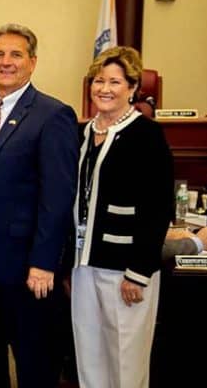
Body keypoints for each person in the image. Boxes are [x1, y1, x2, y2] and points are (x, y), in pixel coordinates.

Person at [0, 23, 79, 387]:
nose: (6, 62)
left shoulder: (53, 114)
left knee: (33, 364)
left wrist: (45, 262)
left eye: (15, 54)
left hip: (26, 269)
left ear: (33, 62)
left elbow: (57, 198)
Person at [69, 46, 173, 388]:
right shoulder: (82, 132)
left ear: (132, 88)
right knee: (89, 353)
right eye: (99, 80)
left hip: (125, 269)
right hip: (84, 264)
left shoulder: (147, 135)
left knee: (125, 361)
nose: (105, 89)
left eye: (115, 81)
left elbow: (158, 209)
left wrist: (139, 273)